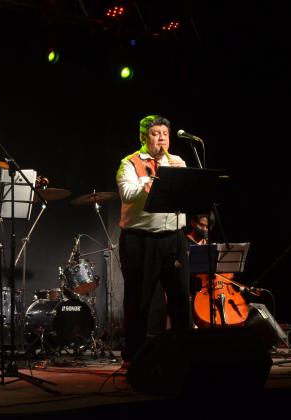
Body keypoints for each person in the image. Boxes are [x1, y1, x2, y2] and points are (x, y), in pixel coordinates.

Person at [116, 114, 191, 366]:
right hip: (141, 240)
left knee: (181, 298)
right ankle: (134, 358)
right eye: (155, 134)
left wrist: (184, 179)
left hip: (174, 239)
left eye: (165, 134)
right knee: (139, 300)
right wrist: (151, 180)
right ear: (143, 137)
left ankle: (185, 354)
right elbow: (127, 193)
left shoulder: (178, 161)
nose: (161, 139)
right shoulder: (129, 162)